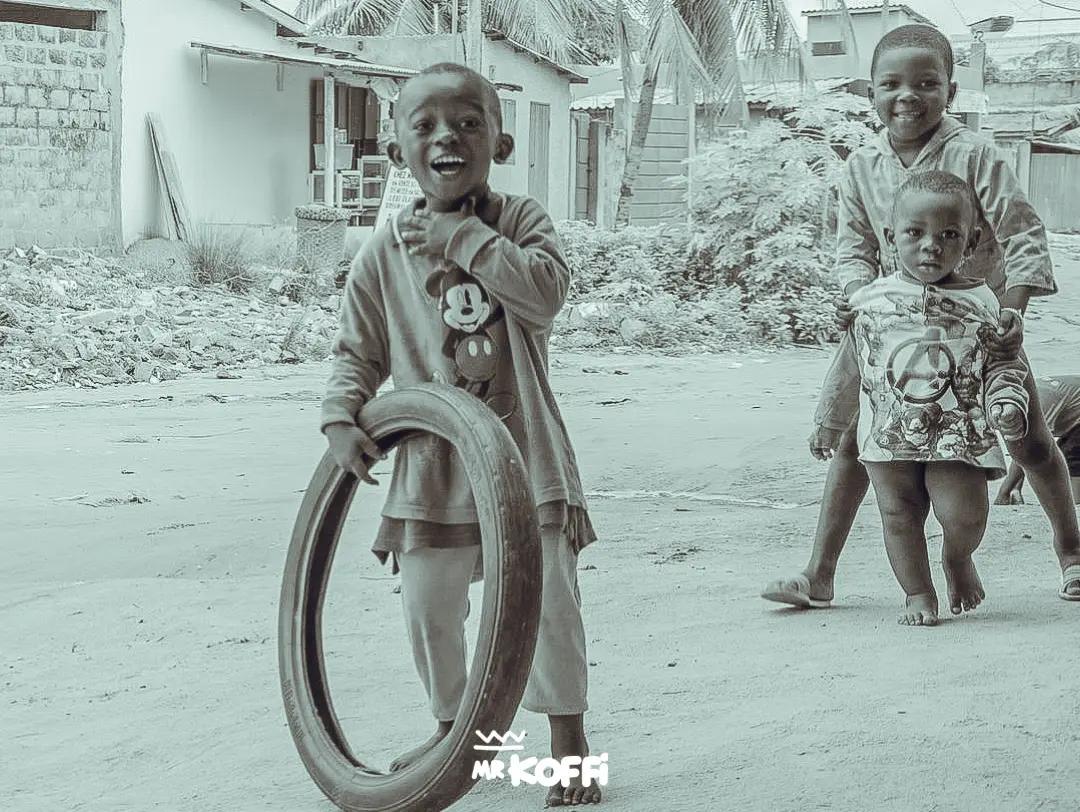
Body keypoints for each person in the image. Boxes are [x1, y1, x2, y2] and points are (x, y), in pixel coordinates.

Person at [320, 63, 602, 807]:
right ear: (397, 152)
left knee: (546, 606)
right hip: (432, 467)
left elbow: (543, 295)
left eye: (468, 124)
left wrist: (464, 237)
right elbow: (357, 350)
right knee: (429, 609)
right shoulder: (382, 253)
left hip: (524, 458)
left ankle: (568, 736)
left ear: (499, 144)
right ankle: (457, 730)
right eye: (426, 126)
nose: (447, 137)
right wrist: (342, 415)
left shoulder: (520, 222)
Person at [761, 23, 1080, 610]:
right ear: (871, 93)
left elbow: (1022, 233)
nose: (908, 95)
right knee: (856, 441)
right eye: (892, 84)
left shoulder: (976, 154)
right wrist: (858, 298)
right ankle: (819, 573)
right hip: (887, 327)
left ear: (950, 92)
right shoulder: (860, 165)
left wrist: (1012, 310)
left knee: (1027, 436)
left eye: (927, 84)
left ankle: (1071, 552)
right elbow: (853, 247)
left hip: (978, 327)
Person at [814, 170, 1028, 625]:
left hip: (957, 433)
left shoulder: (984, 303)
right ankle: (917, 592)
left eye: (949, 234)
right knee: (898, 514)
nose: (931, 245)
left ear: (971, 242)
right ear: (891, 237)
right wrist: (829, 421)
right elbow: (852, 364)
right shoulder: (869, 303)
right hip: (887, 434)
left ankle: (957, 557)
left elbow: (1003, 364)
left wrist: (1008, 402)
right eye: (915, 233)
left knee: (965, 516)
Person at [996, 375, 1080, 511]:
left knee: (1071, 456)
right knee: (1063, 454)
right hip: (1071, 405)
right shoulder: (1016, 398)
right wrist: (1015, 489)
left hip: (1074, 411)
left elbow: (1028, 448)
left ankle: (1075, 505)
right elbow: (1019, 446)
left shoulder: (1038, 406)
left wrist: (1004, 492)